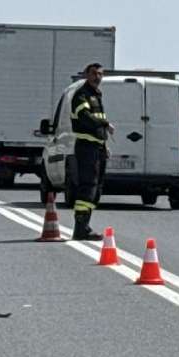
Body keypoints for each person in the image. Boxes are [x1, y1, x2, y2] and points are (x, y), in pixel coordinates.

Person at [70, 63, 115, 241]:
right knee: (88, 187)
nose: (98, 77)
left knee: (96, 188)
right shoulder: (81, 95)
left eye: (100, 74)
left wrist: (104, 145)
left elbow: (96, 126)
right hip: (86, 148)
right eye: (94, 73)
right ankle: (80, 228)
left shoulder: (96, 95)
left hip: (97, 148)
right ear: (86, 75)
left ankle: (85, 226)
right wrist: (105, 123)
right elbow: (85, 118)